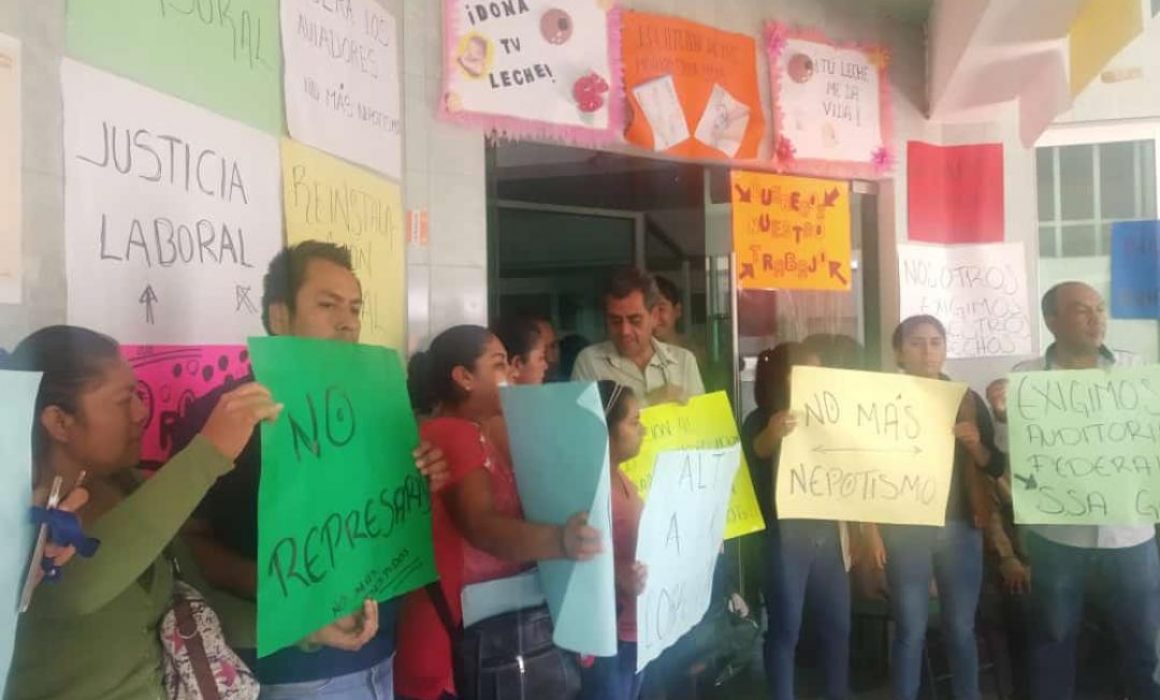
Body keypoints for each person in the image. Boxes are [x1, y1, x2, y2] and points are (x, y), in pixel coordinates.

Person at [175, 241, 450, 699]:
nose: (348, 322)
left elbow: (385, 515)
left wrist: (425, 475)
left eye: (355, 309)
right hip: (295, 669)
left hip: (383, 650)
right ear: (280, 316)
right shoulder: (230, 415)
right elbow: (191, 542)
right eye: (328, 306)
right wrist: (299, 604)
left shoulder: (378, 408)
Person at [5, 325, 280, 700]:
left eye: (138, 394)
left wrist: (305, 629)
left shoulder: (128, 487)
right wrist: (209, 452)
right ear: (59, 422)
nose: (141, 412)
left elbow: (191, 605)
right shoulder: (17, 520)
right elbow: (76, 590)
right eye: (123, 400)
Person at [396, 324, 602, 700]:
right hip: (460, 645)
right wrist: (560, 540)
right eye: (498, 365)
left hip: (485, 637)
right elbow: (481, 527)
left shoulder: (485, 427)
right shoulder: (452, 432)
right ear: (464, 378)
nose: (510, 375)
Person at [987, 281, 1160, 700]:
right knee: (1052, 640)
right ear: (1052, 320)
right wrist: (1003, 416)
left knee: (1144, 645)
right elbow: (1011, 458)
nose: (1096, 318)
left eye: (1100, 309)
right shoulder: (1027, 379)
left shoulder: (1134, 371)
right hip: (1057, 537)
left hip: (1130, 533)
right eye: (1083, 310)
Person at [862, 315, 1006, 700]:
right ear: (898, 351)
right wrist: (872, 529)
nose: (928, 351)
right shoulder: (881, 397)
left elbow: (995, 466)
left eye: (936, 342)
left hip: (961, 526)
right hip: (905, 527)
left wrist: (975, 444)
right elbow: (865, 469)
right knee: (910, 627)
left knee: (961, 627)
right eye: (916, 343)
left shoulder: (967, 399)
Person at [741, 342, 851, 700]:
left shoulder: (834, 414)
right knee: (786, 628)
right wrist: (773, 433)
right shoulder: (761, 418)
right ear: (785, 377)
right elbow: (752, 457)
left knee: (838, 626)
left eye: (818, 371)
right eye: (804, 372)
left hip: (828, 532)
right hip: (783, 536)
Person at [580, 381, 649, 700]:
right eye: (634, 422)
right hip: (610, 633)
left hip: (633, 629)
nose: (643, 430)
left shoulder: (620, 476)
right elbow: (579, 556)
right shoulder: (592, 489)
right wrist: (615, 574)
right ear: (605, 430)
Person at [572, 268, 703, 407]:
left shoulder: (684, 361)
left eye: (635, 320)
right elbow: (583, 426)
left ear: (654, 316)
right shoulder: (590, 362)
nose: (625, 331)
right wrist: (648, 402)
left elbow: (702, 422)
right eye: (615, 321)